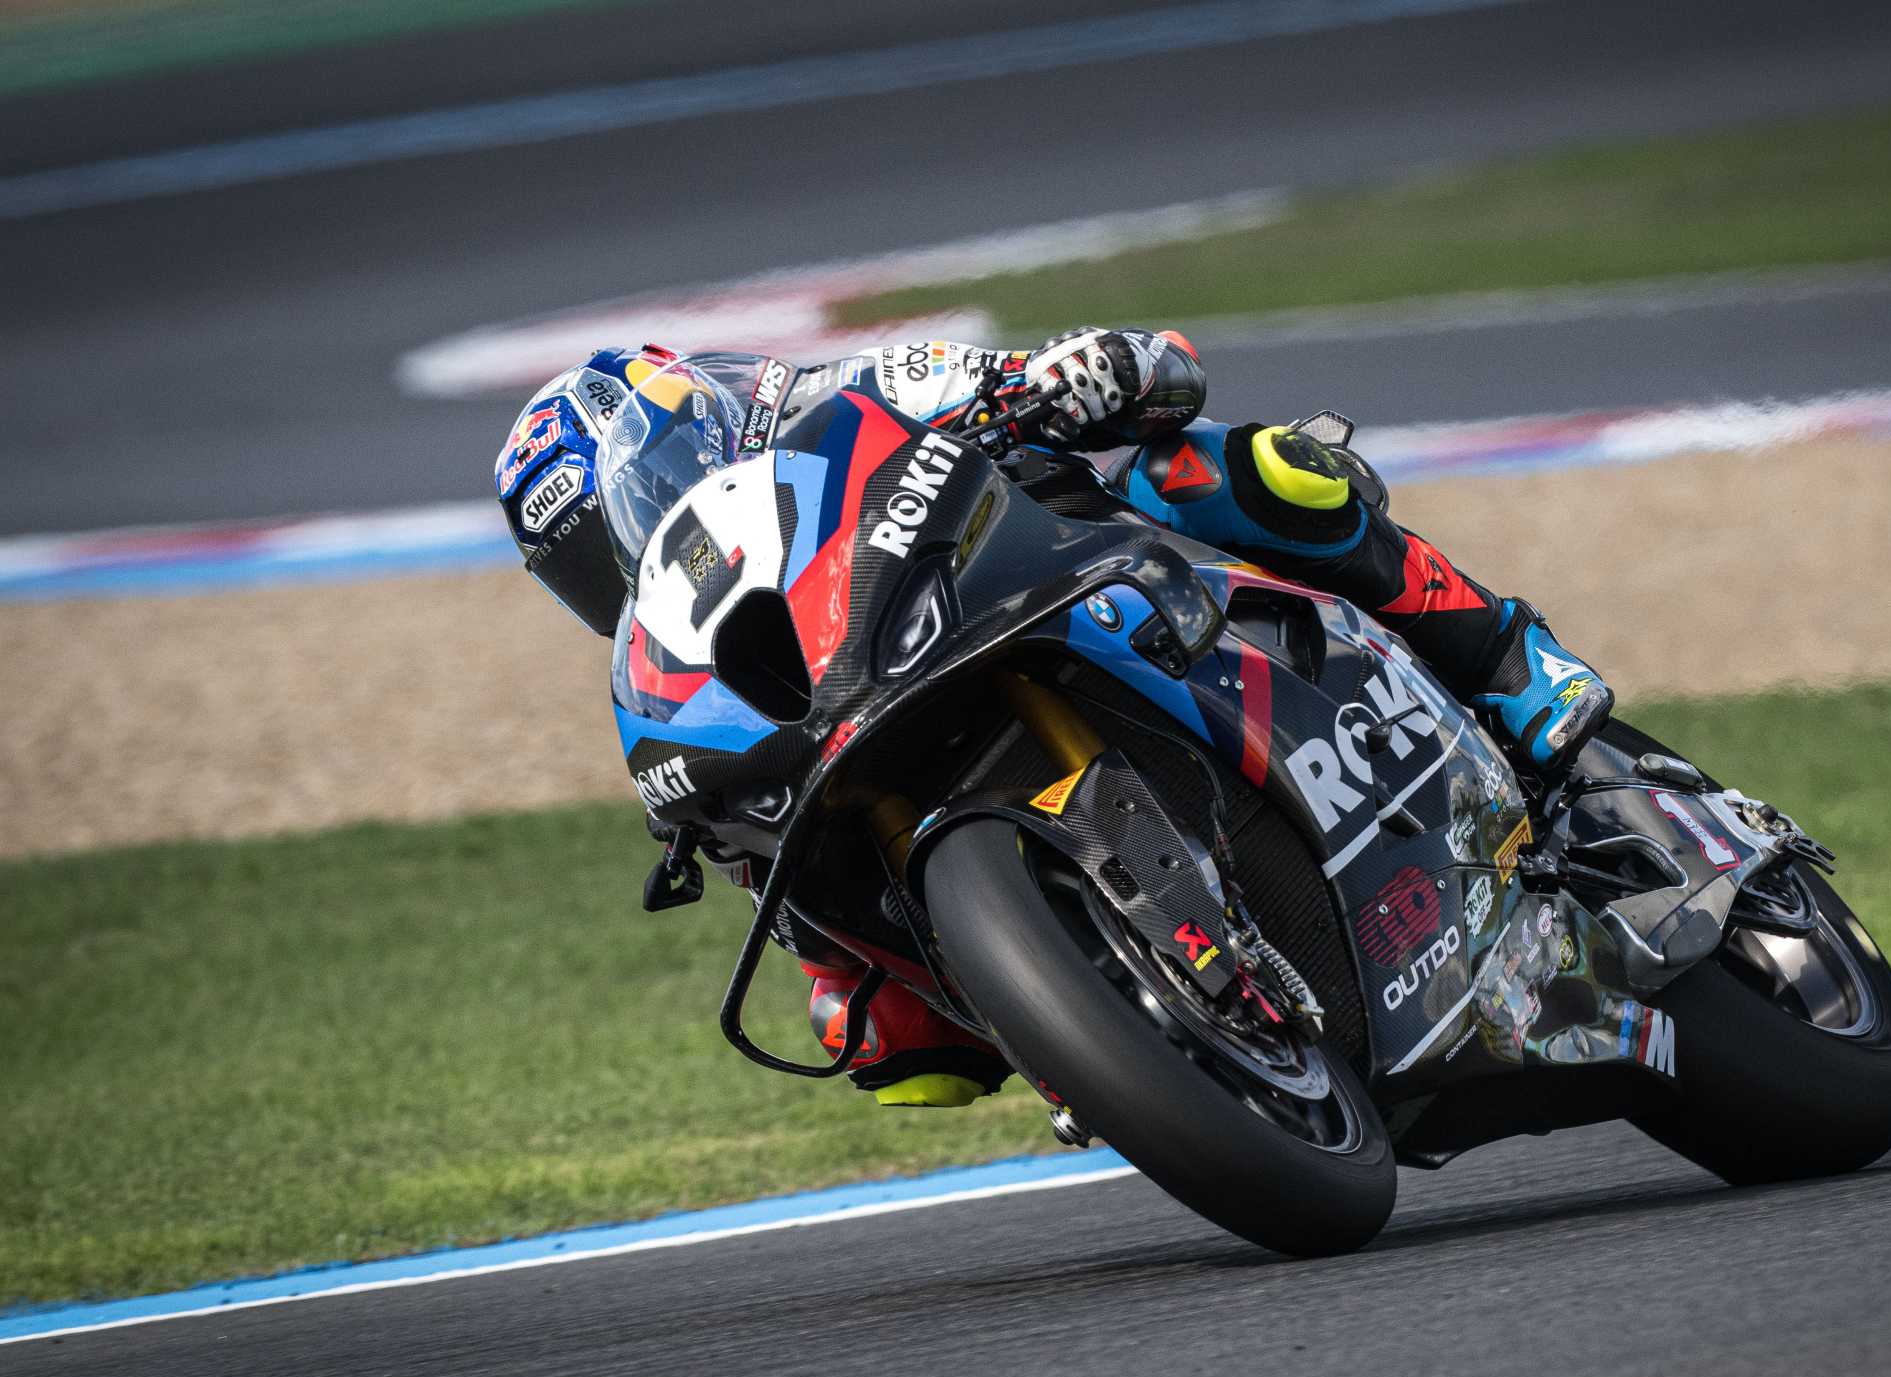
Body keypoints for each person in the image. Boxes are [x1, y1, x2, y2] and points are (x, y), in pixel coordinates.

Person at [492, 327, 1613, 1106]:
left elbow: (1150, 369)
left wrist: (1083, 373)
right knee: (769, 847)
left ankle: (1506, 654)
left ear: (693, 428)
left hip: (1064, 568)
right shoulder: (671, 651)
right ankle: (1098, 1003)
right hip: (869, 692)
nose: (626, 563)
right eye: (584, 567)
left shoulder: (838, 393)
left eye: (628, 509)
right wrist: (836, 965)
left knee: (1239, 471)